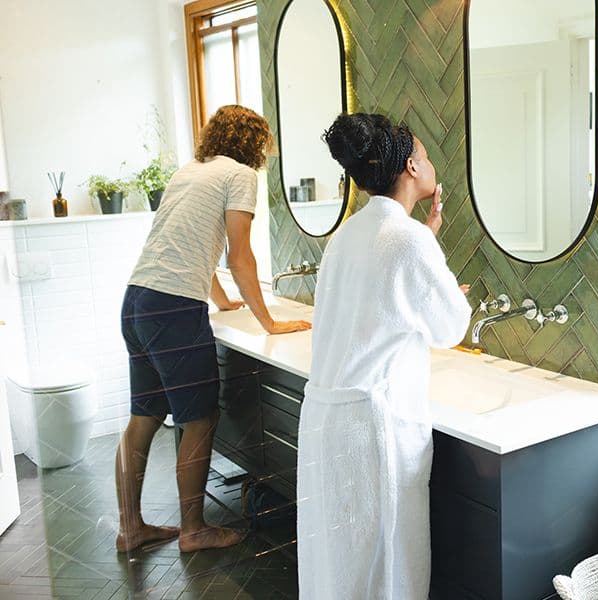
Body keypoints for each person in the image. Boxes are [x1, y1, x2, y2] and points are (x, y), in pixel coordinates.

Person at [115, 105, 311, 553]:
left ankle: (130, 528)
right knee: (199, 417)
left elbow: (187, 246)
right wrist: (270, 322)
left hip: (138, 300)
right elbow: (238, 256)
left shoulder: (189, 172)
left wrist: (223, 302)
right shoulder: (241, 175)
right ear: (252, 144)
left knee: (143, 418)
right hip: (174, 310)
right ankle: (194, 530)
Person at [297, 113, 471, 599]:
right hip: (376, 433)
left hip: (330, 428)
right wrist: (437, 268)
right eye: (427, 153)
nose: (431, 161)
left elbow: (376, 297)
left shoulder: (346, 237)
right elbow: (451, 326)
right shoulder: (409, 241)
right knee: (386, 566)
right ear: (412, 167)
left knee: (342, 565)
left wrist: (427, 236)